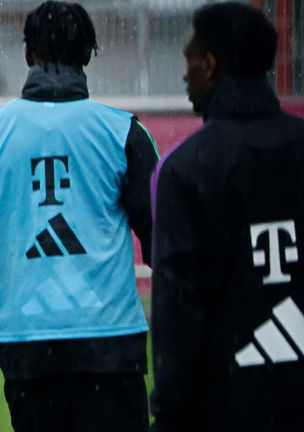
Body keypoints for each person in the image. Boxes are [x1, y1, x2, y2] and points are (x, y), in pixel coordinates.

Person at [0, 1, 159, 430]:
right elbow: (166, 239)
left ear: (28, 54)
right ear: (87, 55)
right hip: (110, 344)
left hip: (28, 346)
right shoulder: (122, 132)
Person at [149, 3, 304, 430]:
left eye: (189, 60)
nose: (185, 74)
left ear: (211, 65)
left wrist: (168, 411)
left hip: (227, 407)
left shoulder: (185, 168)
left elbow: (178, 308)